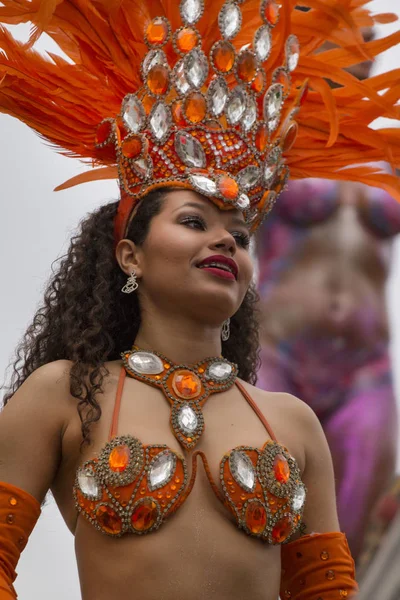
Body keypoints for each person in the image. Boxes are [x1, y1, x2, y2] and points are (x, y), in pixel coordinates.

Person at [0, 1, 399, 599]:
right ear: (130, 255)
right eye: (193, 221)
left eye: (240, 236)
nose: (224, 241)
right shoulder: (65, 393)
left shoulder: (292, 422)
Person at [256, 29, 399, 561]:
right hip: (278, 354)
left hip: (366, 370)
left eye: (368, 40)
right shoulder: (275, 133)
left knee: (346, 544)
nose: (359, 48)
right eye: (344, 35)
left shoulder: (389, 152)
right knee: (264, 518)